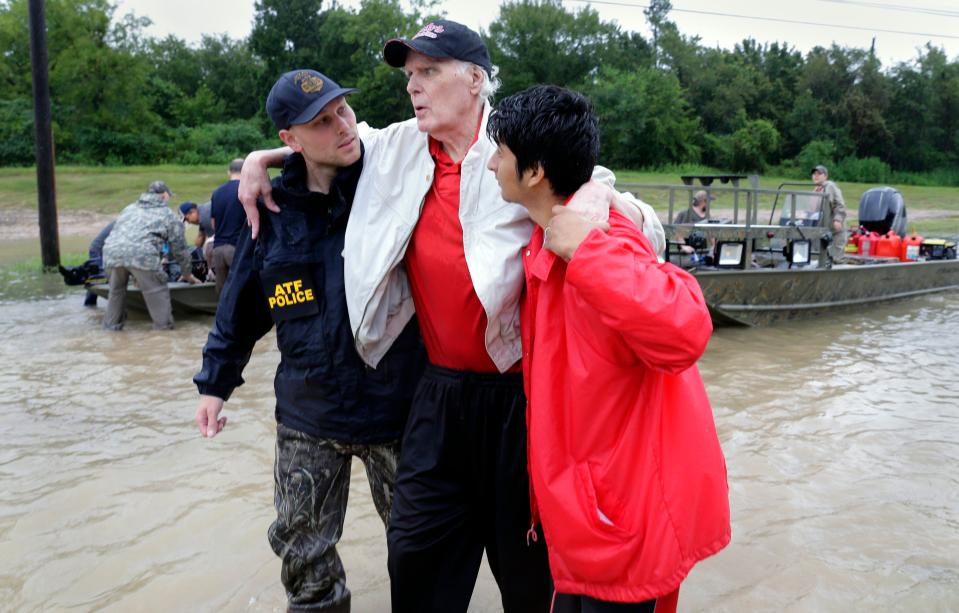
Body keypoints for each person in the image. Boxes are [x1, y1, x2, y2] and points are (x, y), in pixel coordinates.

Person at [238, 20, 665, 613]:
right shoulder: (397, 146)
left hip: (521, 399)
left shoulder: (518, 153)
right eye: (410, 75)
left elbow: (622, 208)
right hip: (435, 396)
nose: (414, 86)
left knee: (527, 573)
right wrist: (260, 157)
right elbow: (332, 138)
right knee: (415, 562)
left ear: (475, 79)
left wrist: (600, 199)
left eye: (430, 72)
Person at [486, 84, 730, 613]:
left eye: (499, 153)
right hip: (585, 516)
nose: (489, 165)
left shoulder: (601, 238)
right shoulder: (551, 231)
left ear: (534, 172)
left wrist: (590, 251)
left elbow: (686, 330)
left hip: (621, 523)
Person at [192, 69, 425, 613]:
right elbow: (241, 309)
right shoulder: (269, 212)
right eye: (321, 122)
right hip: (309, 414)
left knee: (420, 551)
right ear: (290, 140)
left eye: (343, 110)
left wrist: (257, 159)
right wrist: (214, 384)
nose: (342, 126)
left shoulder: (387, 182)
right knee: (304, 558)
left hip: (397, 407)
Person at [101, 181, 198, 330]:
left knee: (116, 293)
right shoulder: (167, 215)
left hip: (111, 254)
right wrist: (187, 274)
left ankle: (110, 330)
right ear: (164, 196)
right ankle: (164, 333)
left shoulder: (129, 209)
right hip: (143, 257)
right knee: (157, 293)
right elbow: (180, 249)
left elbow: (124, 238)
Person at [209, 159, 246, 294]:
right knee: (243, 290)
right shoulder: (245, 189)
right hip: (237, 249)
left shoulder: (217, 192)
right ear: (246, 170)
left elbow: (213, 223)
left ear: (229, 172)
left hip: (217, 250)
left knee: (223, 294)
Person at [812, 164, 847, 260]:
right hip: (823, 231)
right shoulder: (816, 190)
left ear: (825, 176)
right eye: (814, 174)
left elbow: (840, 204)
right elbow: (814, 210)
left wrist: (838, 220)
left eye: (819, 173)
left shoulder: (830, 186)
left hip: (835, 231)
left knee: (836, 259)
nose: (816, 176)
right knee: (818, 259)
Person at [83, 220, 115, 306]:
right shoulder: (128, 220)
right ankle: (89, 305)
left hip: (108, 249)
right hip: (98, 249)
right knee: (97, 279)